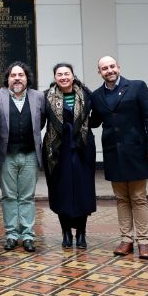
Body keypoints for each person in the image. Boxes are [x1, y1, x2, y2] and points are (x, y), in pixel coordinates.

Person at [90, 55, 148, 260]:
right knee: (121, 199)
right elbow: (93, 121)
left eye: (112, 66)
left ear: (118, 67)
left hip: (137, 152)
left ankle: (144, 242)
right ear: (100, 72)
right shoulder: (96, 96)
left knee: (138, 198)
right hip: (113, 153)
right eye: (104, 68)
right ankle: (126, 240)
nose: (109, 70)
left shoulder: (137, 87)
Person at [0, 61, 46, 253]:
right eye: (13, 75)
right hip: (6, 156)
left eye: (20, 75)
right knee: (8, 196)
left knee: (27, 197)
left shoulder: (38, 97)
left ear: (26, 78)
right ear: (7, 78)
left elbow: (40, 123)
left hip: (30, 155)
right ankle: (11, 235)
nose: (17, 78)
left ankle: (28, 235)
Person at [43, 63, 97, 250]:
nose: (64, 77)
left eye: (67, 73)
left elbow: (96, 119)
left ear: (73, 76)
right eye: (60, 74)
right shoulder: (46, 97)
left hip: (82, 149)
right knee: (62, 192)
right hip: (57, 151)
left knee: (82, 192)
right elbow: (40, 121)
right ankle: (66, 233)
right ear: (55, 77)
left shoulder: (87, 95)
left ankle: (81, 234)